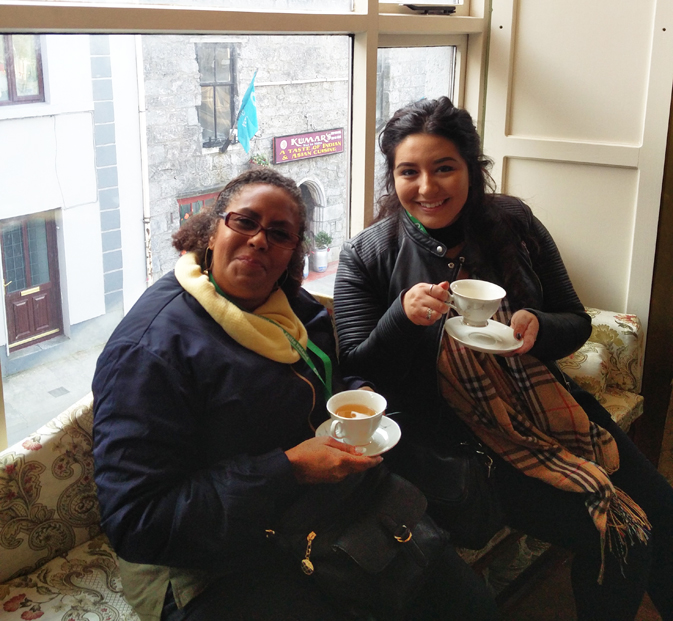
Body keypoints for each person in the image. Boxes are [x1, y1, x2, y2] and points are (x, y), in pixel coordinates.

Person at [92, 168, 499, 621]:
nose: (259, 240)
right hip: (208, 566)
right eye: (244, 221)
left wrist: (356, 396)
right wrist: (290, 469)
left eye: (279, 233)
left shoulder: (291, 307)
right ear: (210, 231)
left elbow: (329, 380)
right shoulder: (149, 350)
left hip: (317, 513)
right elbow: (137, 521)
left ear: (291, 253)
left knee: (470, 605)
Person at [333, 97, 673, 621]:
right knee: (620, 535)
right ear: (392, 177)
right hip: (468, 444)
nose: (427, 187)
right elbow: (357, 369)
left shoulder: (513, 221)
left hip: (552, 407)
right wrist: (401, 318)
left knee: (663, 512)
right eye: (409, 172)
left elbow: (574, 321)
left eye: (444, 168)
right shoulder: (367, 254)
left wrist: (538, 329)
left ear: (472, 167)